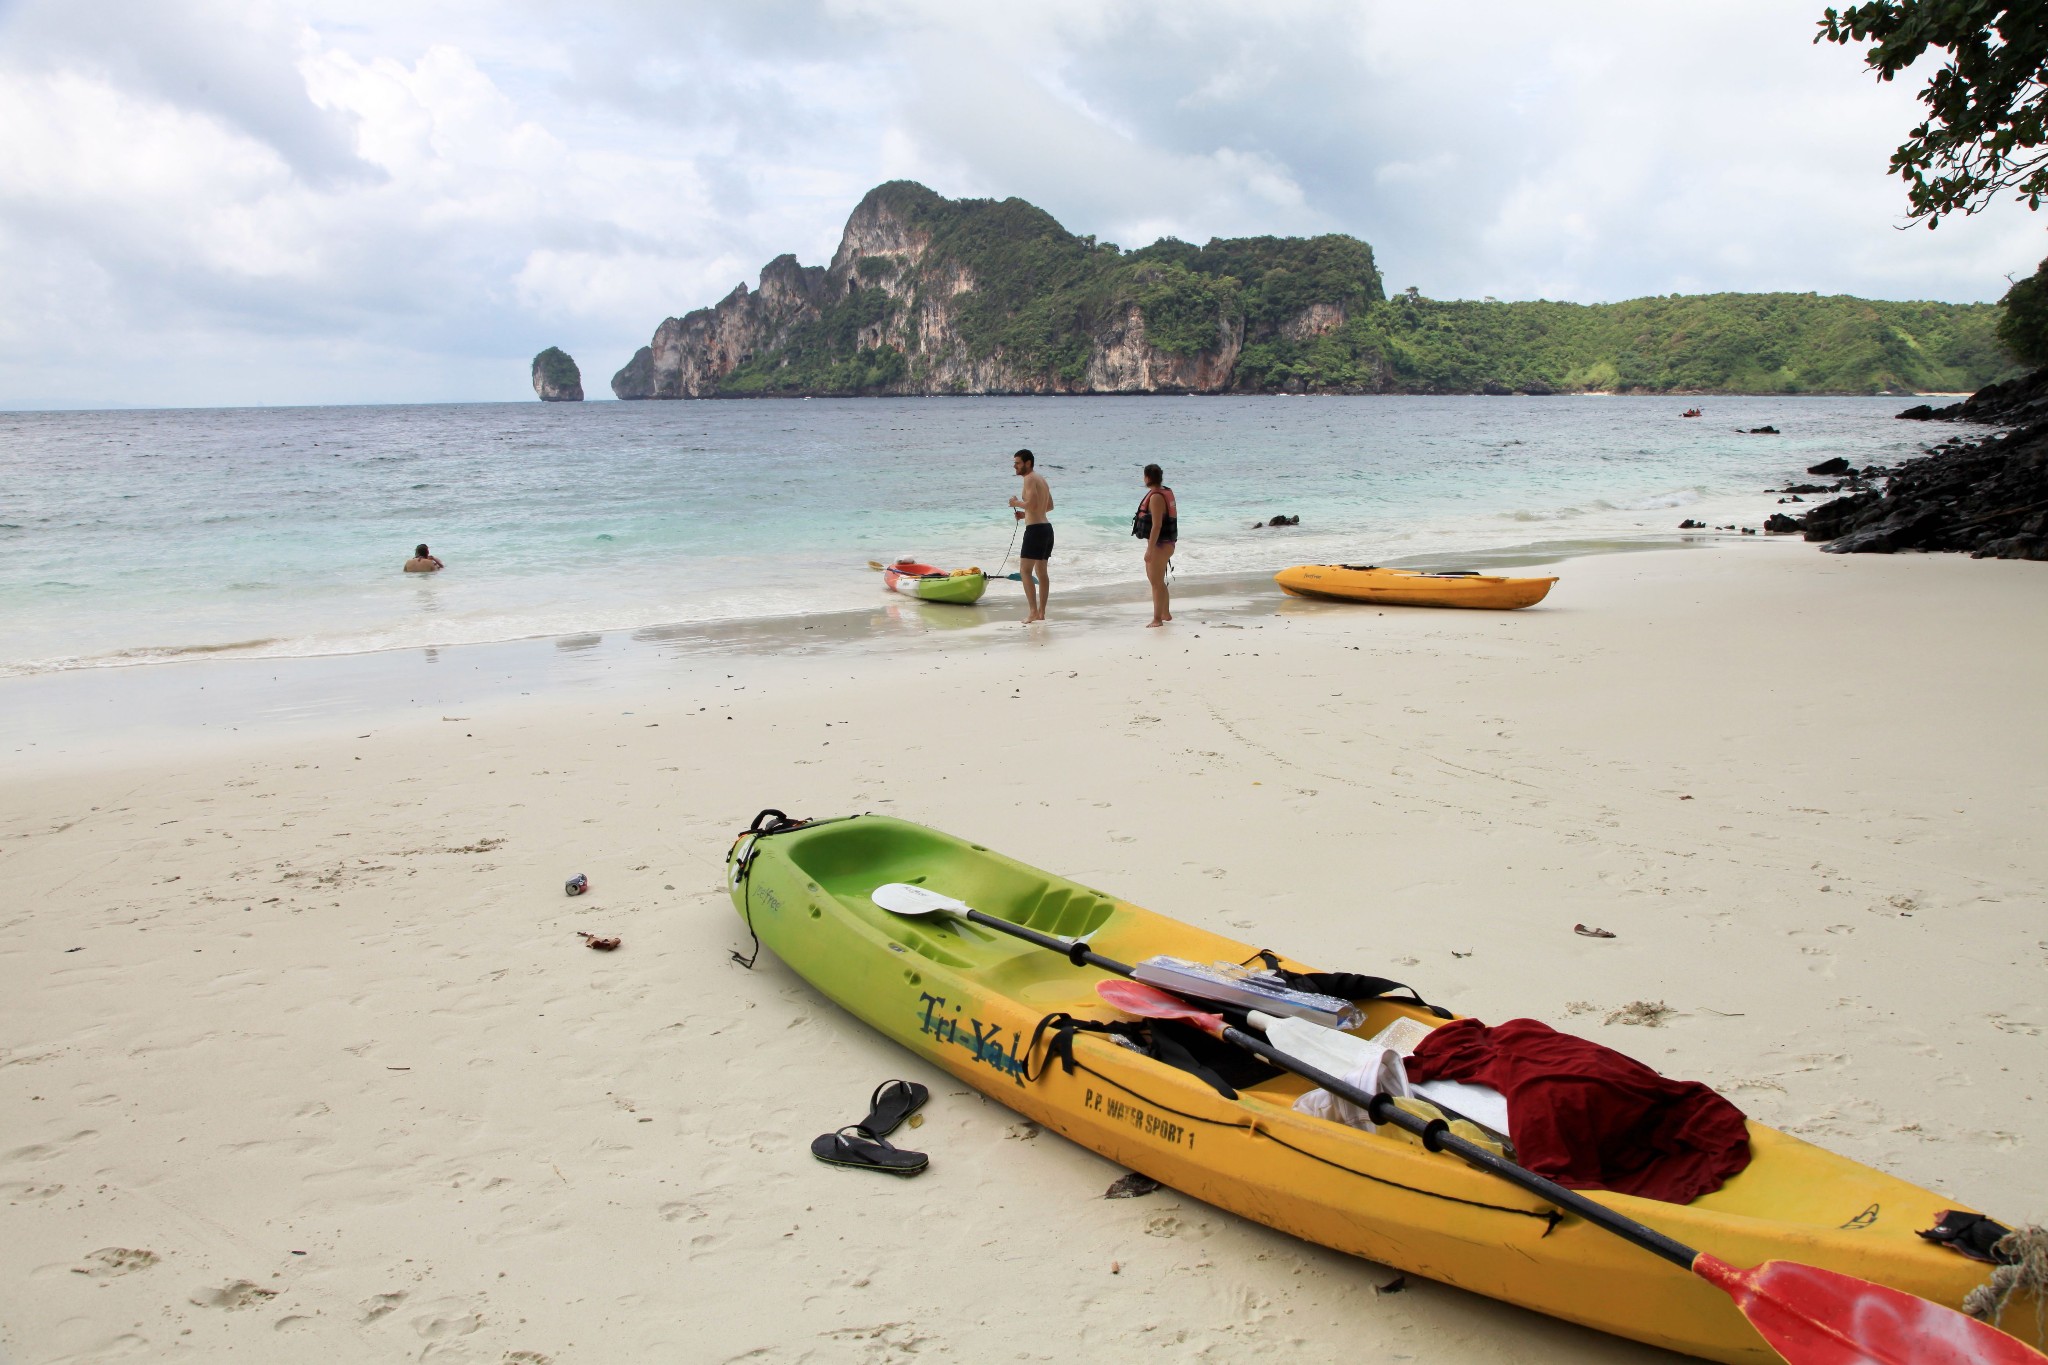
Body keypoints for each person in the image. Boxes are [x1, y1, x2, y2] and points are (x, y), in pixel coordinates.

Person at [1008, 449, 1053, 623]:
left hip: (1035, 531)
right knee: (1041, 572)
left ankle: (1033, 612)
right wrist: (1024, 514)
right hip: (1046, 529)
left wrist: (1015, 503)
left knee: (1025, 571)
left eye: (1018, 463)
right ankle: (1041, 613)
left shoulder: (1029, 478)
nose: (1015, 466)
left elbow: (1033, 504)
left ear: (1028, 463)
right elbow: (1048, 506)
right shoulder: (1041, 479)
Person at [1135, 463, 1176, 627]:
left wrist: (1150, 549)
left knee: (1155, 583)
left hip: (1161, 544)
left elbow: (1157, 525)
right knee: (1158, 581)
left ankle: (1157, 619)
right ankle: (1165, 613)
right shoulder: (1162, 492)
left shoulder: (1156, 497)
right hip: (1166, 543)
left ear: (1147, 477)